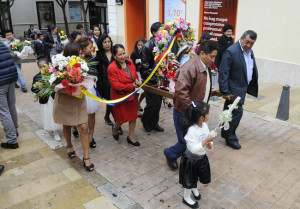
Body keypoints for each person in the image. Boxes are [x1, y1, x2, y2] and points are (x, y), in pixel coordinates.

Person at [164, 41, 217, 170]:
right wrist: (195, 111)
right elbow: (181, 92)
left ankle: (187, 160)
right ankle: (170, 154)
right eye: (212, 56)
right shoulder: (189, 67)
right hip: (185, 113)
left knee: (192, 141)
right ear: (202, 53)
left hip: (195, 112)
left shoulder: (205, 66)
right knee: (186, 142)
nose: (213, 60)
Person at [53, 42, 94, 171]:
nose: (83, 55)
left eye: (82, 53)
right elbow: (54, 84)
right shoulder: (60, 65)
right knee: (67, 124)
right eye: (80, 53)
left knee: (83, 127)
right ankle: (69, 145)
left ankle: (86, 157)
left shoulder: (83, 65)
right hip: (65, 99)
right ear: (72, 55)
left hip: (79, 99)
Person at [219, 30, 258, 150]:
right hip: (233, 88)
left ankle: (225, 132)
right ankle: (230, 137)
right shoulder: (231, 51)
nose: (249, 45)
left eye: (252, 43)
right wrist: (225, 91)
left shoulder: (249, 51)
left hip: (242, 87)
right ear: (241, 38)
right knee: (237, 112)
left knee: (229, 112)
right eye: (247, 42)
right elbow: (223, 72)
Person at [179, 101, 215, 208]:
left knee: (203, 177)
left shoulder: (204, 125)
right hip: (191, 160)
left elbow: (208, 139)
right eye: (208, 113)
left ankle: (195, 188)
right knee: (189, 179)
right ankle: (186, 197)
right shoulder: (191, 130)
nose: (209, 114)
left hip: (202, 158)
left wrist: (210, 144)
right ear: (201, 118)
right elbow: (193, 148)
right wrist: (205, 142)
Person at [108, 44, 140, 146]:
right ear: (114, 56)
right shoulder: (111, 68)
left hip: (132, 95)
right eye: (120, 54)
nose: (123, 56)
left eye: (124, 53)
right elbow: (116, 85)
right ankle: (115, 129)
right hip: (120, 96)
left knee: (133, 117)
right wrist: (132, 85)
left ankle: (131, 137)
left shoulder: (130, 62)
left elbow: (134, 74)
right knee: (121, 119)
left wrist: (137, 80)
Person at [140, 22, 164, 132]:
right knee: (152, 103)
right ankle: (145, 120)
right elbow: (145, 67)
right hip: (150, 79)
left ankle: (154, 123)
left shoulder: (164, 44)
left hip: (160, 79)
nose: (163, 32)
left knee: (158, 103)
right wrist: (155, 79)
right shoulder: (147, 47)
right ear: (154, 33)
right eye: (160, 30)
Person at [31, 58, 61, 141]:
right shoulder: (37, 77)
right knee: (48, 115)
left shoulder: (54, 74)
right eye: (40, 67)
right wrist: (38, 88)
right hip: (45, 100)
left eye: (44, 66)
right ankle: (54, 130)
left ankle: (57, 129)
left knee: (55, 113)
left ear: (49, 65)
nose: (42, 68)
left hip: (54, 97)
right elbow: (33, 89)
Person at [77, 37, 100, 148]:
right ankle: (82, 134)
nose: (92, 49)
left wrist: (93, 78)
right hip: (77, 90)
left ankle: (91, 136)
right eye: (90, 47)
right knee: (79, 114)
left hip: (89, 89)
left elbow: (96, 73)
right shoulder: (74, 59)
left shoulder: (92, 59)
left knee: (91, 114)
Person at [0, 41, 19, 149]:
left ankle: (12, 140)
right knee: (11, 106)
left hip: (1, 82)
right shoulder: (1, 44)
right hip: (11, 78)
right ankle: (14, 130)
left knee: (3, 111)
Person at [96, 34, 115, 126]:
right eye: (105, 42)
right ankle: (116, 123)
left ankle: (107, 117)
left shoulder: (114, 52)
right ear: (101, 44)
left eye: (109, 41)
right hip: (104, 82)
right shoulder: (98, 55)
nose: (107, 44)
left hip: (114, 82)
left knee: (111, 100)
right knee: (110, 100)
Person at [130, 38, 146, 117]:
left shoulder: (146, 53)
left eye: (142, 45)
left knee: (145, 91)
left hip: (144, 74)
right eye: (138, 45)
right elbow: (131, 66)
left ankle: (139, 103)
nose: (140, 47)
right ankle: (135, 108)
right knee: (137, 92)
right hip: (137, 74)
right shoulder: (134, 54)